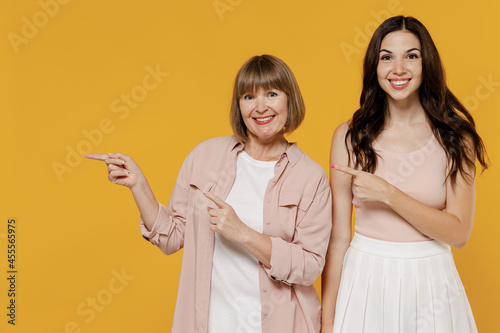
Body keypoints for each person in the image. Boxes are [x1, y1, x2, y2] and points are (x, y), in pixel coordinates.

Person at [85, 54, 332, 333]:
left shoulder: (311, 177)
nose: (260, 107)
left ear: (290, 100)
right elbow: (172, 236)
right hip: (210, 324)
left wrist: (242, 233)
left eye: (272, 94)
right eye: (249, 97)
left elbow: (311, 265)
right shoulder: (205, 156)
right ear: (239, 106)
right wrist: (139, 185)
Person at [321, 16, 488, 333]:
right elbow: (339, 237)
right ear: (375, 67)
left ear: (427, 65)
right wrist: (328, 322)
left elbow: (459, 233)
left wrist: (389, 194)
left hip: (432, 281)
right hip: (364, 279)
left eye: (411, 56)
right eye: (387, 57)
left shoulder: (455, 138)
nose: (399, 69)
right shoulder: (349, 137)